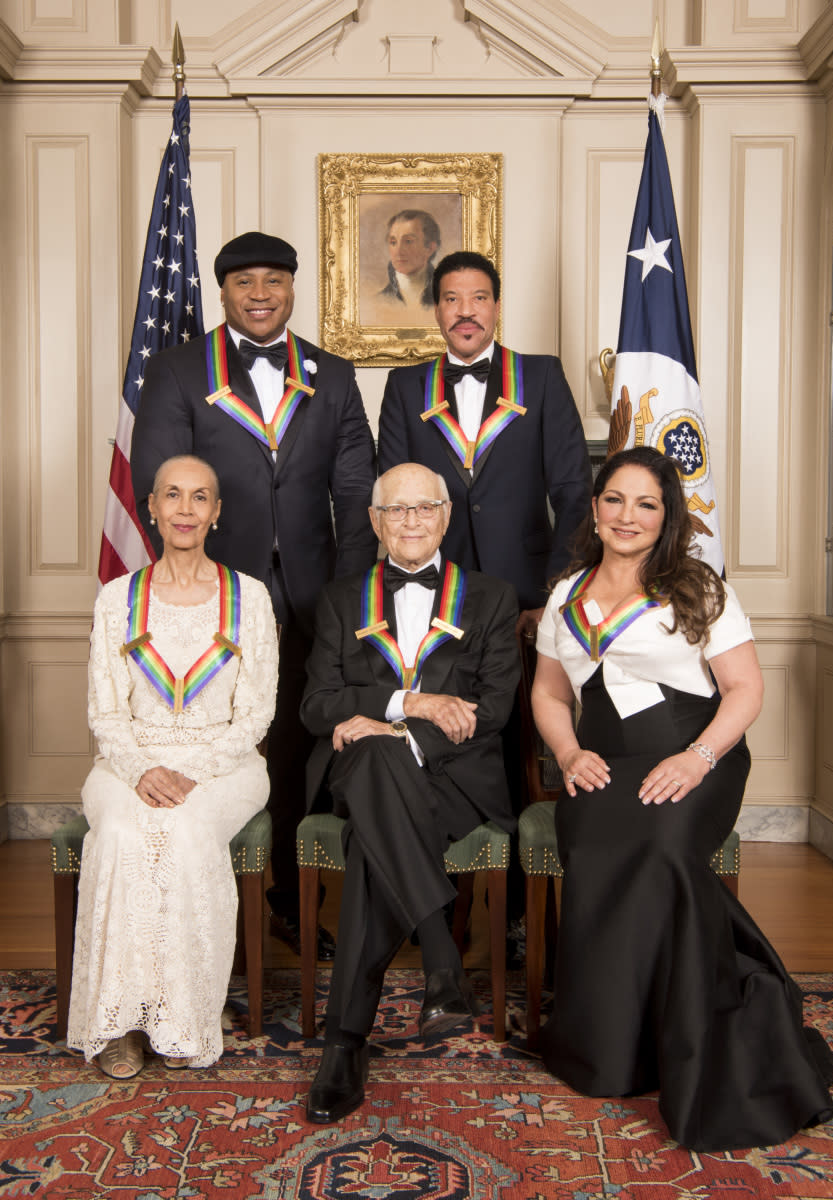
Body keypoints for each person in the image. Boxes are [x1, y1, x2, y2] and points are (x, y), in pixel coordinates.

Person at [531, 446, 833, 1151]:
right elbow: (549, 692)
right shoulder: (564, 594)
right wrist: (569, 753)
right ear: (596, 507)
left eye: (646, 503)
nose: (628, 515)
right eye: (615, 499)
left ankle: (699, 1037)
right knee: (600, 843)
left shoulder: (698, 587)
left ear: (666, 516)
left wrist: (697, 760)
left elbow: (746, 691)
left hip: (696, 754)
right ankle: (611, 1045)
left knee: (664, 847)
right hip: (602, 763)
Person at [131, 232, 377, 959]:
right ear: (224, 292)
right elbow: (163, 479)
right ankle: (208, 897)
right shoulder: (178, 371)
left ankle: (283, 902)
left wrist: (345, 592)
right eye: (246, 283)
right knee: (217, 738)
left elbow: (357, 486)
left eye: (275, 280)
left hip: (311, 595)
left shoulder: (331, 375)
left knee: (299, 749)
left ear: (294, 286)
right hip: (214, 595)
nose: (261, 293)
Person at [378, 250, 593, 950]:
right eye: (451, 298)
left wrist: (551, 596)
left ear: (496, 307)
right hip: (433, 606)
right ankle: (434, 903)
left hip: (526, 604)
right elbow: (389, 498)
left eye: (478, 297)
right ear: (436, 309)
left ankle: (521, 916)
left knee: (517, 748)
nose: (465, 310)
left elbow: (572, 495)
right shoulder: (407, 386)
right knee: (437, 743)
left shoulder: (543, 376)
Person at [301, 463, 520, 1123]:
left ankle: (344, 1044)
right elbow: (318, 705)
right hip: (360, 769)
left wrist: (399, 733)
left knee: (376, 823)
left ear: (447, 516)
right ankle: (442, 961)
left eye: (425, 508)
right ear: (374, 522)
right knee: (372, 760)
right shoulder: (341, 599)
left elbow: (496, 708)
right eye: (396, 511)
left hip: (454, 778)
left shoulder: (492, 597)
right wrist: (411, 701)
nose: (412, 521)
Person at [67, 456, 278, 1078]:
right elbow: (105, 712)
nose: (186, 509)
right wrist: (139, 769)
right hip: (127, 759)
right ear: (152, 508)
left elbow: (255, 714)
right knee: (122, 834)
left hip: (227, 762)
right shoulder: (116, 599)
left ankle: (182, 1015)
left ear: (217, 512)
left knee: (184, 833)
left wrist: (196, 770)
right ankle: (121, 1024)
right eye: (173, 496)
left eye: (201, 497)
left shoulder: (251, 597)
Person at [378, 209, 441, 309]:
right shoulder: (378, 302)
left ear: (430, 248)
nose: (398, 251)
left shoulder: (444, 298)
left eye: (408, 241)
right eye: (393, 242)